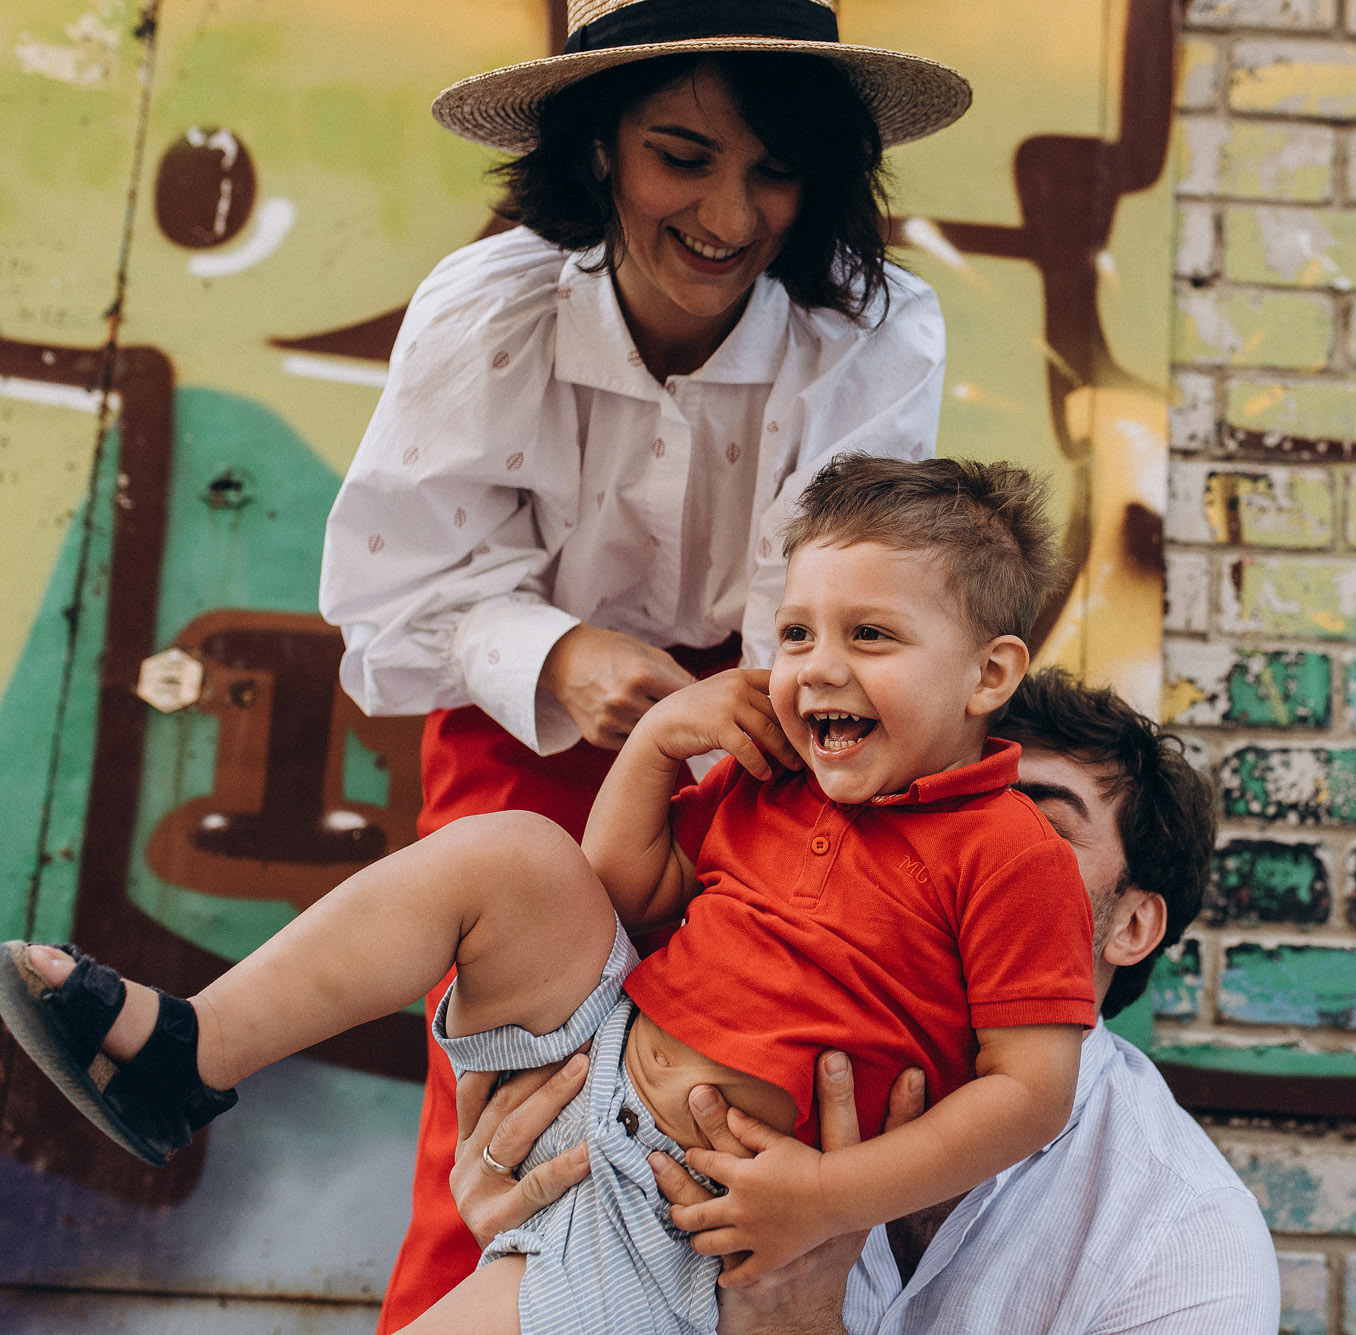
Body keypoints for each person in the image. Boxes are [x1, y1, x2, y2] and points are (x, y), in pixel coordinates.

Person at [0, 457, 1100, 1334]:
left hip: (684, 1221)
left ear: (989, 676)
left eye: (871, 635)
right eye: (796, 633)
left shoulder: (1009, 854)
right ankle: (189, 1052)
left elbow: (1030, 1093)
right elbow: (620, 898)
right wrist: (656, 750)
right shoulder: (772, 787)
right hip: (594, 1066)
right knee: (517, 853)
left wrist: (830, 1199)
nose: (816, 665)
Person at [315, 3, 973, 1324]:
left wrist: (712, 739)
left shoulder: (877, 331)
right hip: (527, 748)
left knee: (727, 1120)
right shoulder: (485, 312)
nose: (730, 215)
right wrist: (558, 656)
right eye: (685, 155)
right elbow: (383, 609)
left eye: (775, 170)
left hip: (783, 745)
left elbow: (830, 602)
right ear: (600, 142)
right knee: (507, 1121)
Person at [453, 669, 1285, 1334]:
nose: (966, 860)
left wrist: (799, 1325)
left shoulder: (1181, 1239)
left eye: (1035, 829)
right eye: (928, 820)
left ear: (1133, 924)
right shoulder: (691, 1002)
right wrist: (529, 1207)